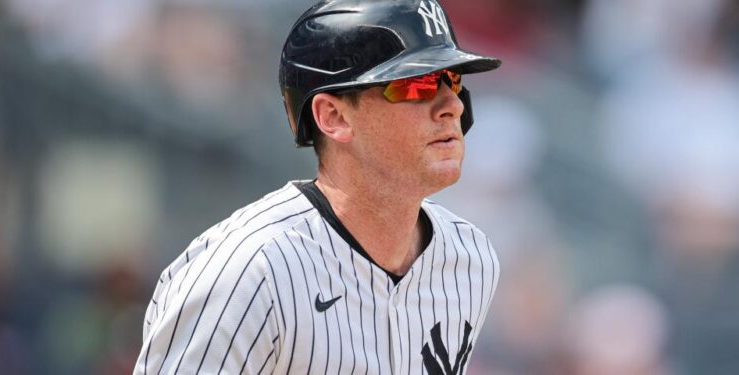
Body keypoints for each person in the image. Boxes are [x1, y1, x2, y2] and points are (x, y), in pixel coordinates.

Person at [134, 0, 501, 374]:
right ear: (333, 116)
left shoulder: (470, 259)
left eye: (452, 80)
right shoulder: (247, 271)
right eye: (415, 84)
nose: (451, 105)